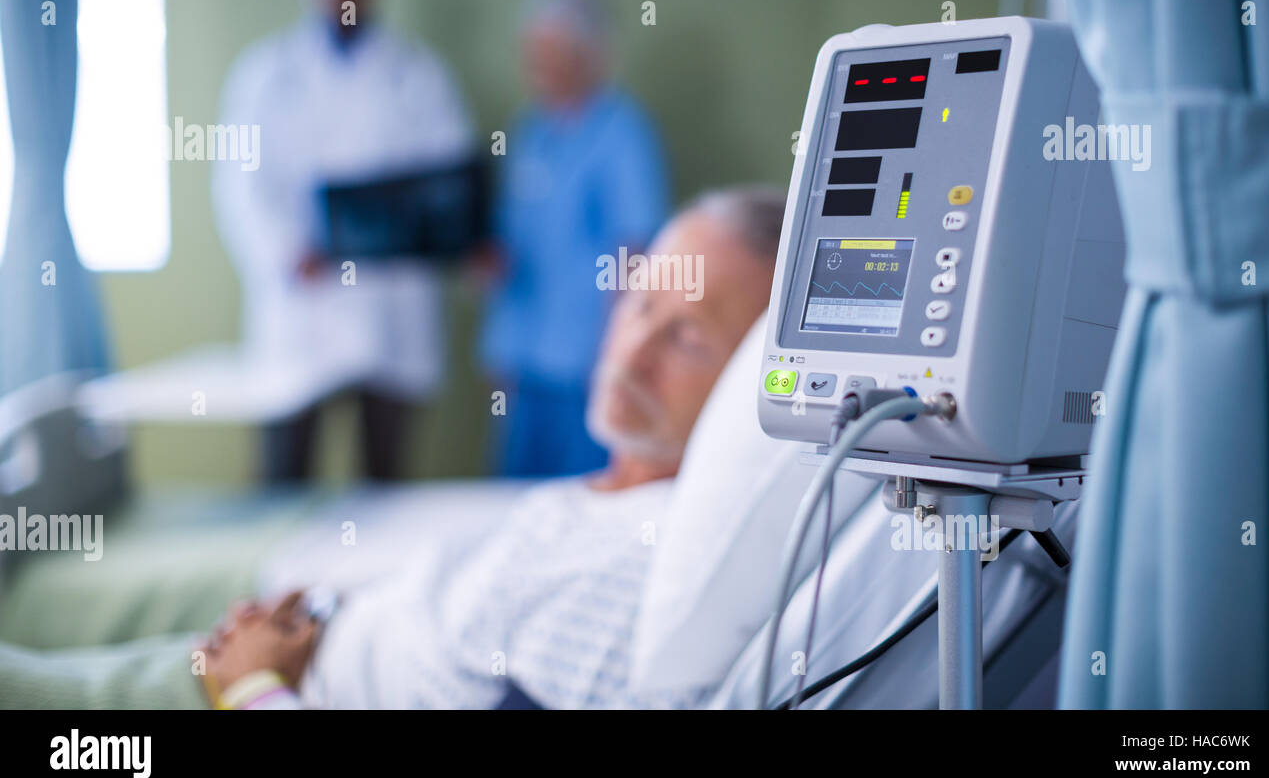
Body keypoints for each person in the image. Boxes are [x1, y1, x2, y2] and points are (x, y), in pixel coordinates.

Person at [0, 187, 785, 709]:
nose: (633, 349)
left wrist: (251, 690)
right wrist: (325, 613)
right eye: (641, 300)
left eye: (687, 336)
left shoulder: (641, 575)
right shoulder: (595, 501)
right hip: (288, 648)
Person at [212, 0, 474, 482]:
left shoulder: (419, 75)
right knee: (283, 475)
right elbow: (239, 184)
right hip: (305, 305)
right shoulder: (265, 76)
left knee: (384, 478)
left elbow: (449, 187)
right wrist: (285, 251)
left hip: (391, 305)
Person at [478, 0, 670, 479]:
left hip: (586, 363)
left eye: (550, 51)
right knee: (516, 502)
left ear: (589, 55)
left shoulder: (622, 133)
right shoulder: (529, 132)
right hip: (525, 363)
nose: (536, 64)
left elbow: (633, 252)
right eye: (532, 51)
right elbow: (512, 244)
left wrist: (621, 356)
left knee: (578, 501)